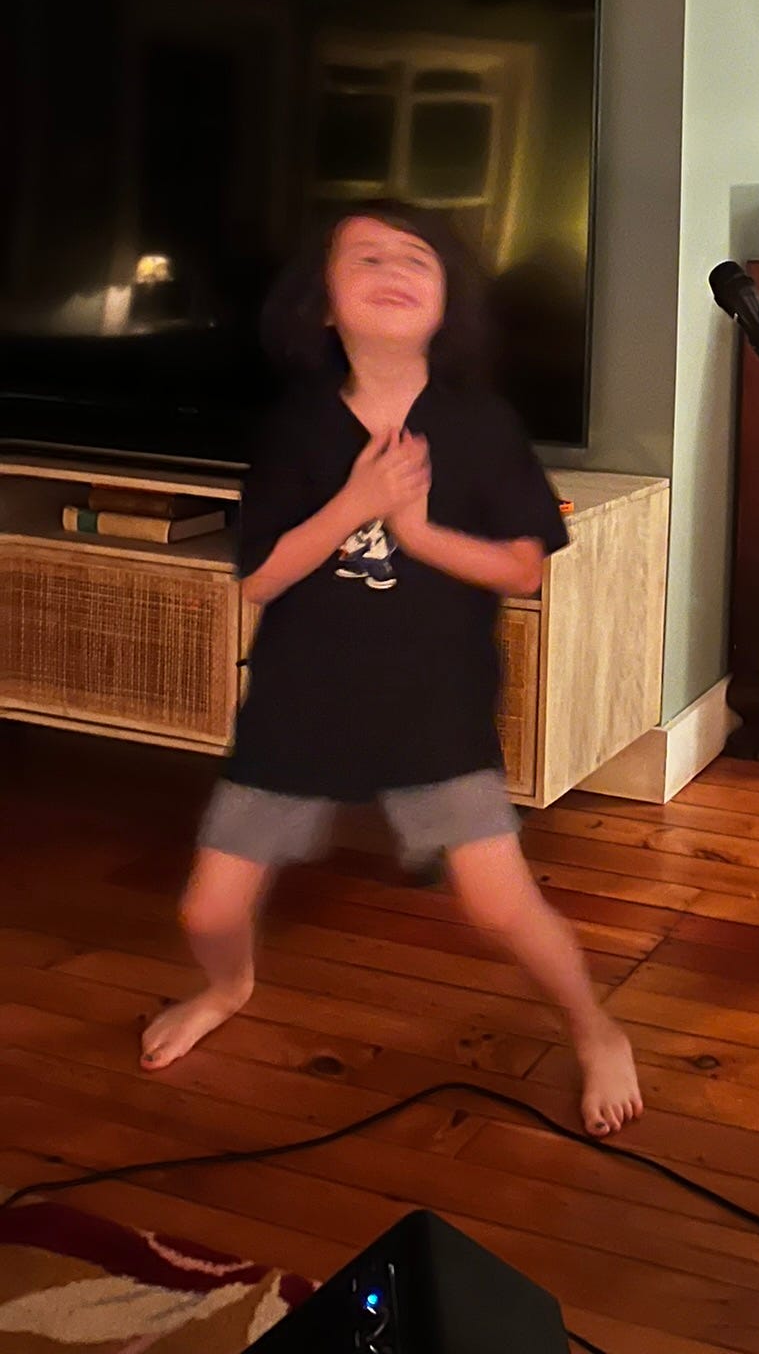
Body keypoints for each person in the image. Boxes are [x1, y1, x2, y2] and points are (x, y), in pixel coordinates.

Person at [141, 202, 642, 1138]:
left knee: (501, 908)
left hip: (433, 708)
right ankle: (229, 987)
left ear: (447, 300)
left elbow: (523, 567)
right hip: (299, 705)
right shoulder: (296, 428)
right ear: (325, 304)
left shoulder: (479, 425)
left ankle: (596, 1029)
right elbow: (261, 577)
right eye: (365, 257)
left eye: (416, 257)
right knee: (207, 911)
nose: (392, 269)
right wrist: (356, 502)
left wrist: (414, 530)